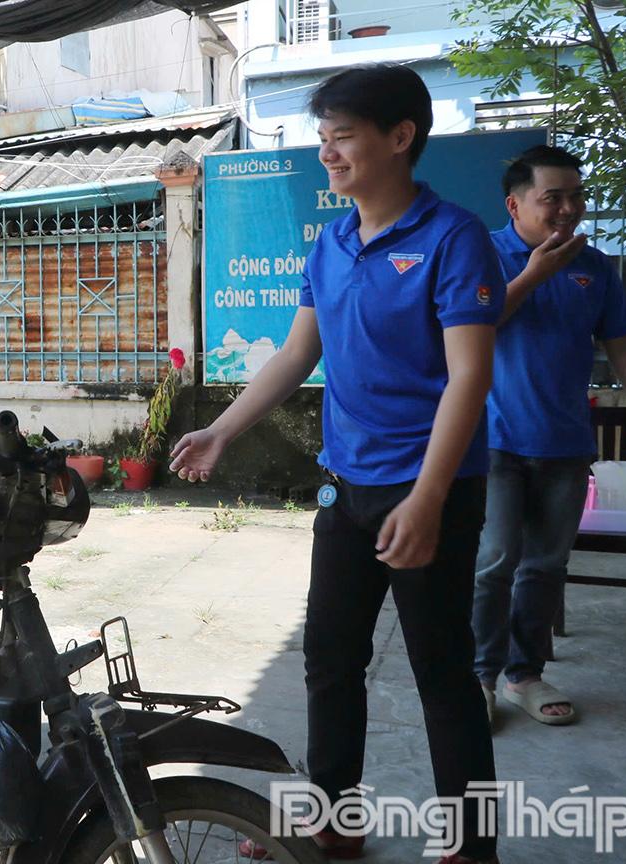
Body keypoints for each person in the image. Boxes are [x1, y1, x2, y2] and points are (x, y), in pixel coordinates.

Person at [170, 64, 501, 863]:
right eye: (322, 139)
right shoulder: (334, 238)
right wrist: (224, 431)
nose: (329, 153)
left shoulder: (455, 241)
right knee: (330, 659)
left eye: (343, 136)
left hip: (433, 491)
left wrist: (424, 499)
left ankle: (474, 842)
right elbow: (295, 353)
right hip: (346, 485)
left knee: (443, 672)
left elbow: (471, 378)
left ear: (399, 137)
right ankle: (332, 820)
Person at [472, 145, 626, 727]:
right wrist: (534, 272)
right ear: (515, 204)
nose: (569, 210)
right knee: (494, 561)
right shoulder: (483, 254)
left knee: (544, 565)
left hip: (565, 443)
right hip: (491, 438)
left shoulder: (596, 268)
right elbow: (470, 330)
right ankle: (479, 676)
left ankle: (524, 674)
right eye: (553, 198)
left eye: (576, 197)